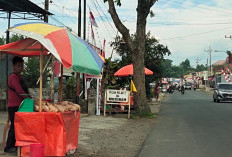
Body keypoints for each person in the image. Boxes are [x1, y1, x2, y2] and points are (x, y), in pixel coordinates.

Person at [4, 56, 28, 153]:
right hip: (13, 106)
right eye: (19, 66)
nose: (21, 68)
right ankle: (8, 147)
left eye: (22, 66)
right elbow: (19, 91)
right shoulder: (13, 77)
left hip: (19, 105)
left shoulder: (19, 76)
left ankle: (14, 144)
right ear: (13, 66)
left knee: (17, 126)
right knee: (14, 126)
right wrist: (28, 98)